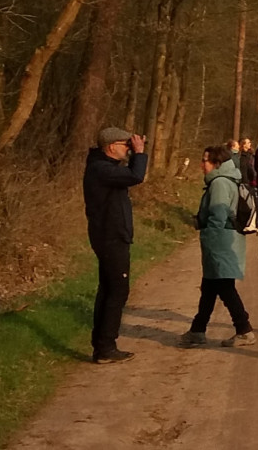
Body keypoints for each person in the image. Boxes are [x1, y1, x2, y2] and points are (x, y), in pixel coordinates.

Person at [83, 126, 147, 363]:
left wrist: (135, 153)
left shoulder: (102, 167)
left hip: (109, 235)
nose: (128, 149)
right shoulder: (101, 169)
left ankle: (102, 346)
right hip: (110, 237)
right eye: (125, 145)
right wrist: (139, 153)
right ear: (111, 147)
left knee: (108, 289)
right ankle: (106, 347)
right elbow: (136, 176)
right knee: (117, 291)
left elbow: (130, 175)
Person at [184, 144, 255, 348]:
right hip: (225, 239)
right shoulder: (227, 180)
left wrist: (209, 236)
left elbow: (218, 214)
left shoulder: (220, 183)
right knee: (209, 287)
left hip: (220, 242)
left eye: (204, 160)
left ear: (216, 163)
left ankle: (244, 330)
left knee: (224, 287)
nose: (201, 165)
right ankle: (197, 330)